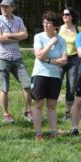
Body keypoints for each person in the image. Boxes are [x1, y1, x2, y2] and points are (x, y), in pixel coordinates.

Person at [0, 0, 32, 123]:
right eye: (2, 6)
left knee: (28, 83)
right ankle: (6, 114)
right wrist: (17, 37)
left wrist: (9, 35)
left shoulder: (18, 20)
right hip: (1, 57)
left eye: (6, 6)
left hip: (17, 57)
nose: (3, 8)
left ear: (13, 8)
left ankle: (28, 111)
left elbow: (25, 35)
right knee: (4, 87)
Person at [31, 12, 68, 140]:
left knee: (52, 105)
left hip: (54, 76)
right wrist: (51, 43)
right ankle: (38, 133)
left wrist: (48, 60)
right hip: (40, 73)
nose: (45, 25)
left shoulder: (62, 40)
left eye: (49, 23)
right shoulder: (38, 37)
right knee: (38, 104)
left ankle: (54, 132)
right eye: (44, 22)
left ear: (55, 26)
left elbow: (64, 60)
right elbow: (39, 55)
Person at [58, 7, 81, 120]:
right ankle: (51, 109)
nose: (64, 16)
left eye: (67, 14)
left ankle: (67, 112)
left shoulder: (78, 29)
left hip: (74, 60)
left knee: (72, 87)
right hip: (60, 60)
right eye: (63, 14)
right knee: (56, 84)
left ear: (71, 16)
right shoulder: (58, 29)